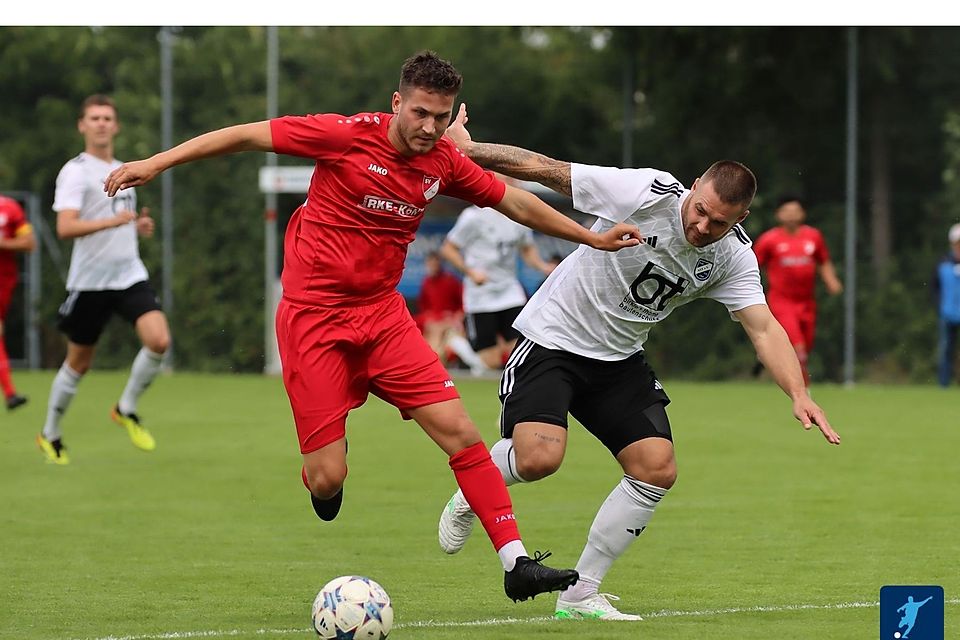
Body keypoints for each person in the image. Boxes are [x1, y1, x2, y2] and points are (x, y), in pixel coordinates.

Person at [103, 51, 643, 602]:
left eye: (440, 116)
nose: (430, 127)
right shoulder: (343, 136)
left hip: (384, 318)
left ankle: (515, 562)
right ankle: (320, 475)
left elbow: (518, 204)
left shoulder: (444, 163)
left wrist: (592, 237)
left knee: (461, 433)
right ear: (396, 103)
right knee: (327, 479)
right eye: (419, 113)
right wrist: (155, 163)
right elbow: (246, 135)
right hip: (313, 320)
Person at [436, 103, 841, 620]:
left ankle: (581, 593)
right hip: (553, 339)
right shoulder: (646, 191)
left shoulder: (733, 256)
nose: (701, 225)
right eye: (699, 209)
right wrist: (470, 151)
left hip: (619, 359)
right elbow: (549, 169)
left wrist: (799, 392)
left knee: (656, 468)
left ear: (740, 220)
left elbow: (763, 327)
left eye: (718, 222)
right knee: (539, 459)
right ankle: (473, 492)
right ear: (693, 187)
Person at [37, 94, 171, 466]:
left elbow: (120, 218)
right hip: (90, 283)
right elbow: (65, 227)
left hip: (129, 275)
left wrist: (137, 226)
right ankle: (50, 433)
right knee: (79, 363)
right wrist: (111, 223)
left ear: (116, 126)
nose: (101, 123)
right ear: (82, 125)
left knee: (159, 340)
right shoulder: (75, 171)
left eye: (107, 118)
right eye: (94, 117)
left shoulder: (125, 168)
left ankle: (125, 408)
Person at [440, 178, 555, 370]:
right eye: (510, 179)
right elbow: (448, 249)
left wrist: (542, 267)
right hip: (481, 294)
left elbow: (526, 249)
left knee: (519, 354)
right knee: (490, 362)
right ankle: (458, 345)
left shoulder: (520, 216)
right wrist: (471, 272)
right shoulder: (474, 216)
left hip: (509, 291)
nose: (516, 184)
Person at [752, 197, 843, 386]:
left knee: (804, 348)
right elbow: (750, 265)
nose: (792, 214)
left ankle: (766, 355)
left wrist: (831, 280)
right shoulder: (769, 240)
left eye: (796, 210)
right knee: (798, 349)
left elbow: (823, 261)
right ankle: (803, 394)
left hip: (807, 302)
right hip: (782, 301)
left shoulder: (813, 237)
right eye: (787, 210)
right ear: (778, 214)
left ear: (803, 213)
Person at [416, 250, 486, 374]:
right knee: (432, 345)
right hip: (434, 326)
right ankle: (432, 371)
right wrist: (432, 323)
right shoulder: (425, 282)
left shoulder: (451, 280)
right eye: (429, 264)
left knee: (453, 342)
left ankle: (478, 365)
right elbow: (424, 309)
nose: (432, 267)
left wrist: (454, 320)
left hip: (451, 324)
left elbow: (463, 306)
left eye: (434, 264)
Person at [0, 194, 36, 410]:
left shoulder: (9, 208)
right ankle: (10, 392)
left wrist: (3, 243)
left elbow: (29, 243)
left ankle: (11, 392)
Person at [933, 223, 960, 387]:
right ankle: (944, 384)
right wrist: (939, 305)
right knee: (945, 350)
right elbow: (934, 287)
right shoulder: (942, 262)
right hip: (948, 313)